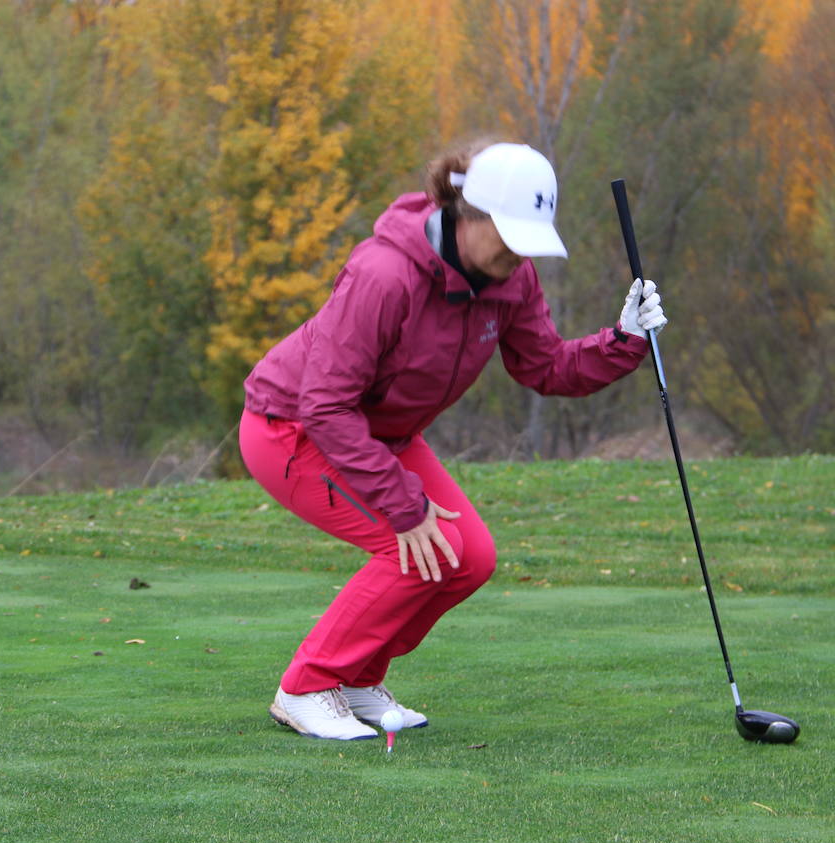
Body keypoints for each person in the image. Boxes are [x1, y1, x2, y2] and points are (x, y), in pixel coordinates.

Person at [238, 140, 667, 740]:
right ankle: (307, 685)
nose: (521, 253)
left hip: (380, 434)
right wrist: (404, 506)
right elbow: (326, 404)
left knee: (470, 559)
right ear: (472, 216)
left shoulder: (511, 278)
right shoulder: (384, 275)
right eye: (511, 235)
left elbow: (544, 367)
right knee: (413, 545)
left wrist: (623, 339)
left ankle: (358, 679)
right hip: (292, 428)